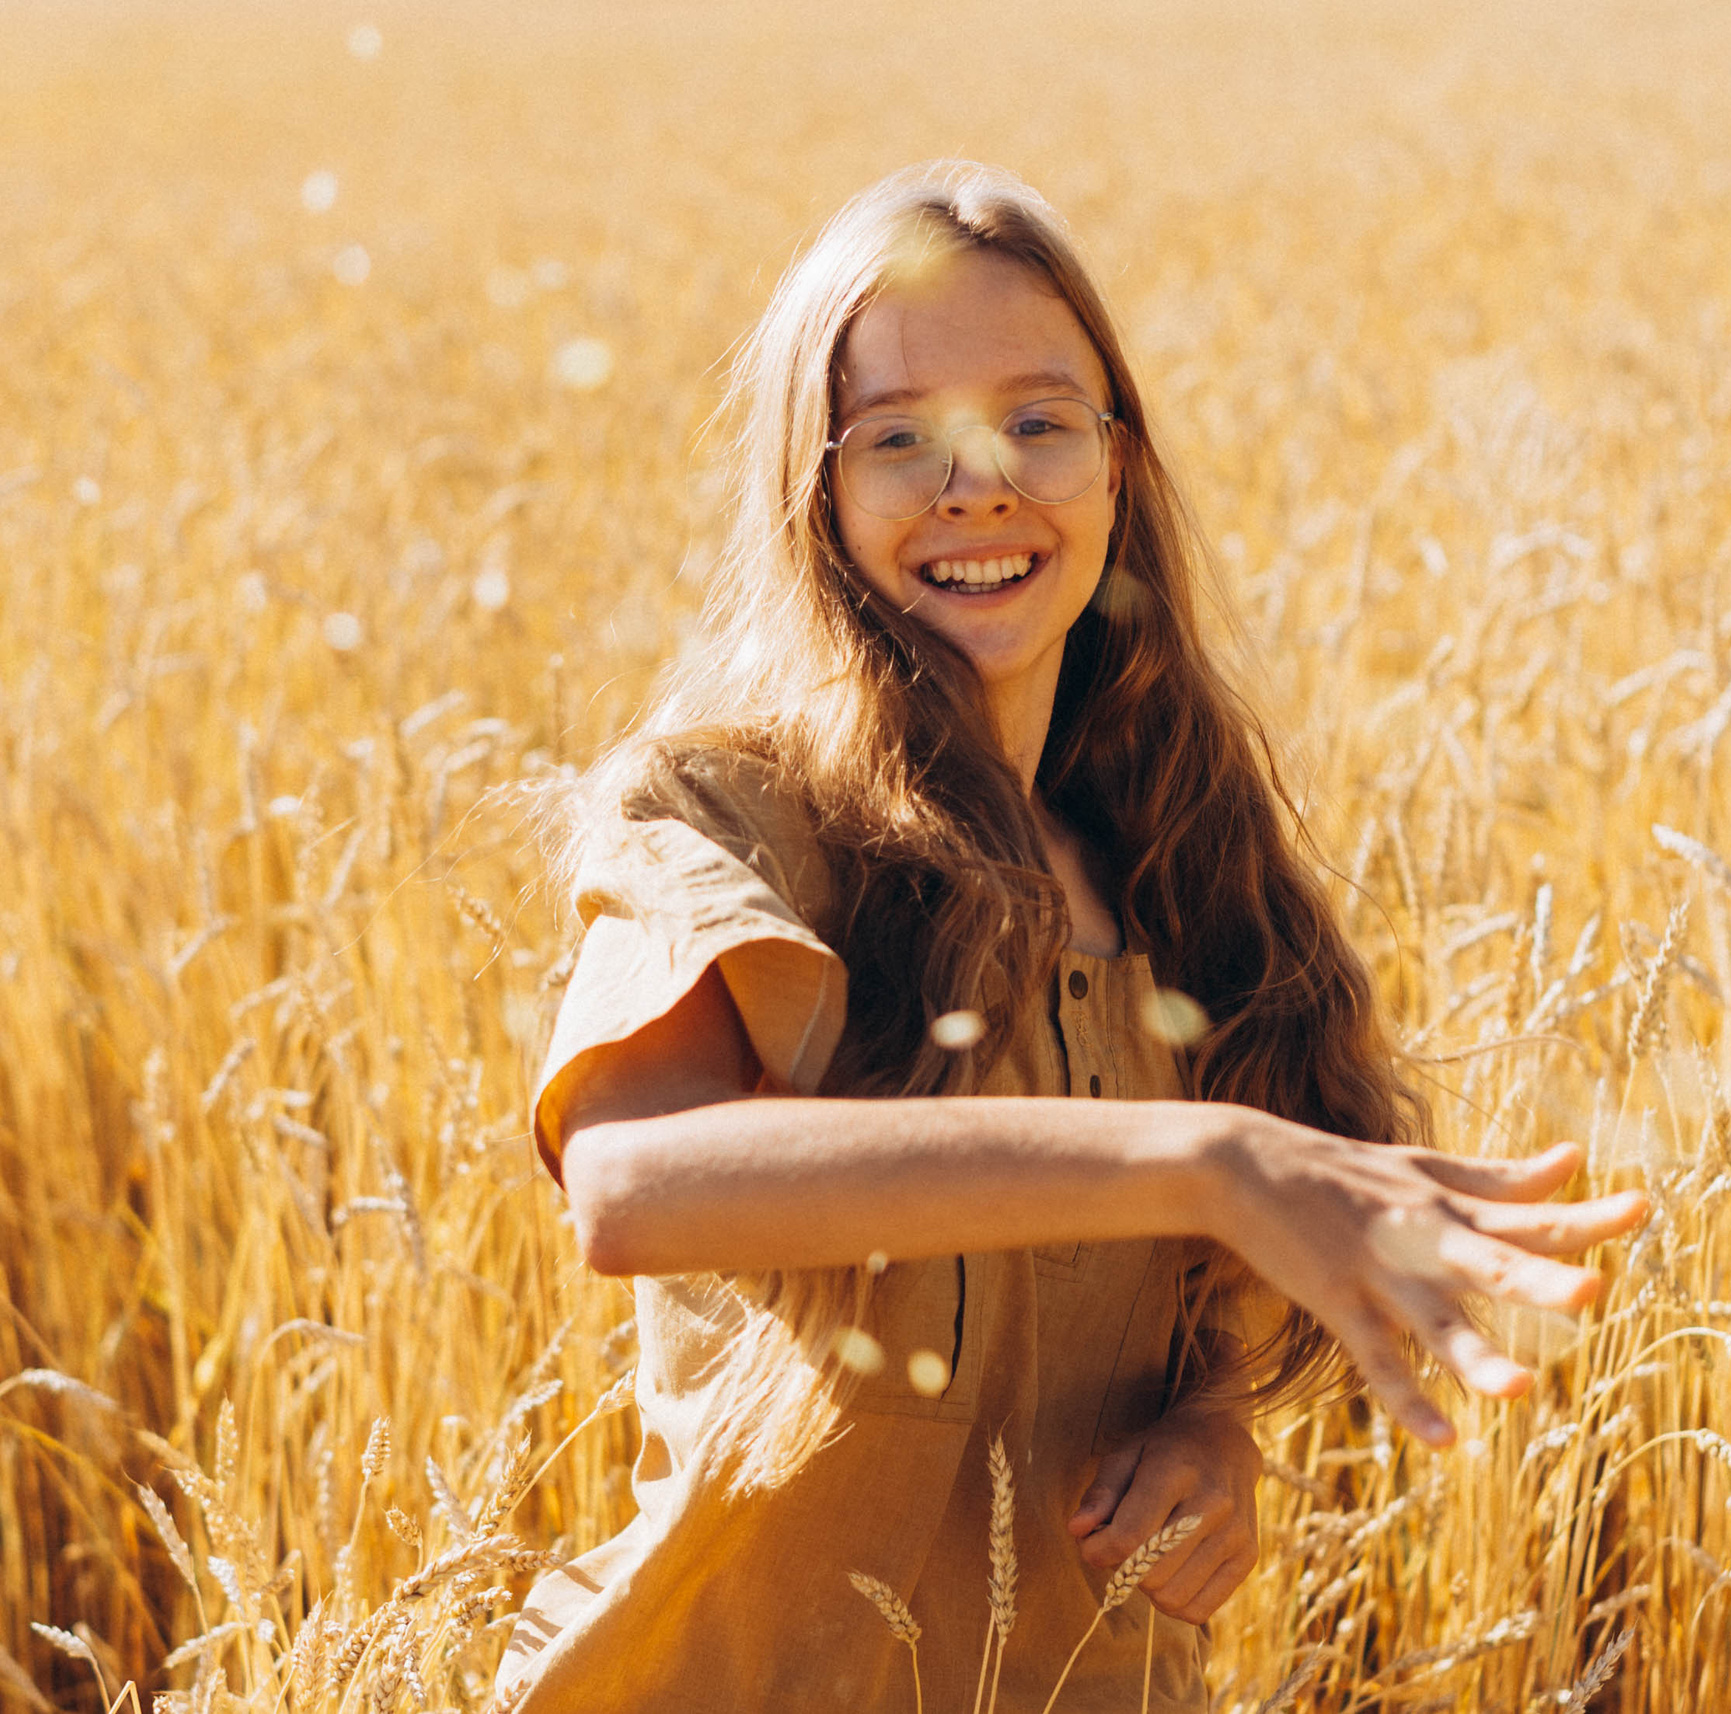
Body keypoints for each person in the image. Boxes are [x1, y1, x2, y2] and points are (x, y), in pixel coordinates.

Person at [496, 161, 1647, 1712]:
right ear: (813, 489)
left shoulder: (1172, 848)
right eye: (900, 438)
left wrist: (1213, 1427)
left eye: (1038, 422)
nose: (982, 482)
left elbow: (1176, 1297)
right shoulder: (725, 807)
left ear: (1117, 465)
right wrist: (1205, 1158)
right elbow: (636, 1185)